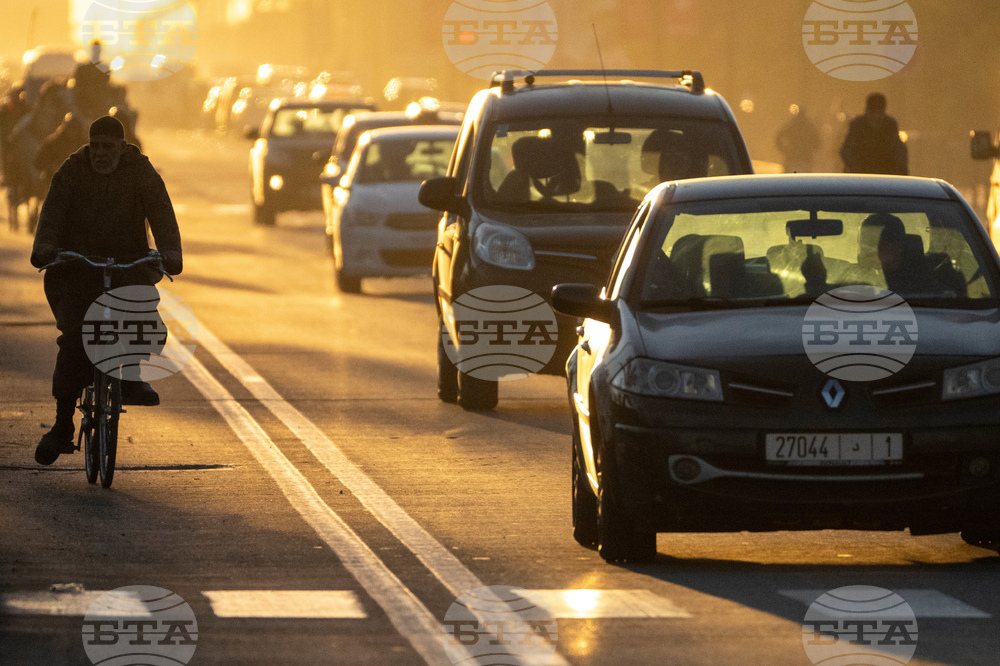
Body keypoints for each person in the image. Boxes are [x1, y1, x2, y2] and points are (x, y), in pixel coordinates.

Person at [30, 115, 182, 465]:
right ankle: (62, 426)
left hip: (128, 262)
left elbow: (161, 212)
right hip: (76, 265)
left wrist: (171, 252)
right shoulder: (71, 171)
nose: (100, 153)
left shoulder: (141, 172)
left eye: (108, 147)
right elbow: (51, 213)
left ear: (122, 148)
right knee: (73, 339)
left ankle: (131, 376)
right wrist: (45, 248)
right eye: (95, 146)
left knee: (141, 314)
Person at [839, 93, 908, 175]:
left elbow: (899, 151)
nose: (876, 116)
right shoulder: (857, 125)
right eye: (873, 112)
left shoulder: (890, 125)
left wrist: (900, 171)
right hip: (861, 176)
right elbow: (846, 151)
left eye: (879, 112)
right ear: (867, 111)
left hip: (886, 174)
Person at [775, 106, 821, 173]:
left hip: (791, 157)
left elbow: (778, 138)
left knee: (789, 178)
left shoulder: (791, 125)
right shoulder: (809, 127)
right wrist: (810, 149)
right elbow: (817, 142)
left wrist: (784, 150)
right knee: (805, 179)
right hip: (805, 158)